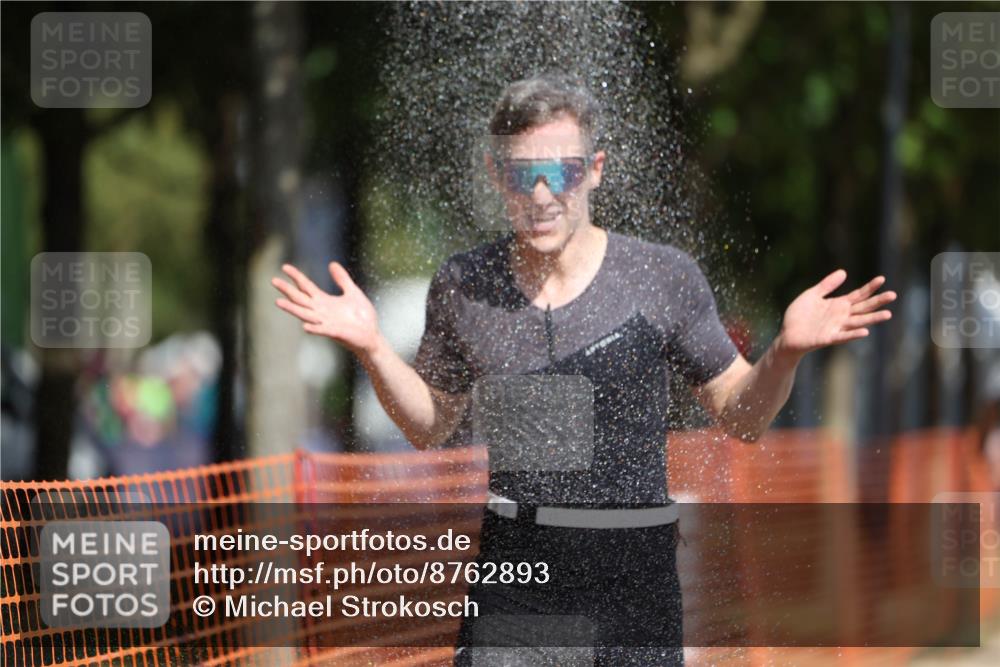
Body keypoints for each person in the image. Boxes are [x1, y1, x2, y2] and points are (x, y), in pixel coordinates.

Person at [272, 73, 896, 666]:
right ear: (495, 174)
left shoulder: (660, 277)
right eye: (523, 174)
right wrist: (373, 349)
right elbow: (428, 425)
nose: (542, 195)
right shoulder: (465, 285)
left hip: (634, 575)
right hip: (518, 571)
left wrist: (784, 352)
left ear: (594, 170)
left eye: (562, 172)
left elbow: (743, 417)